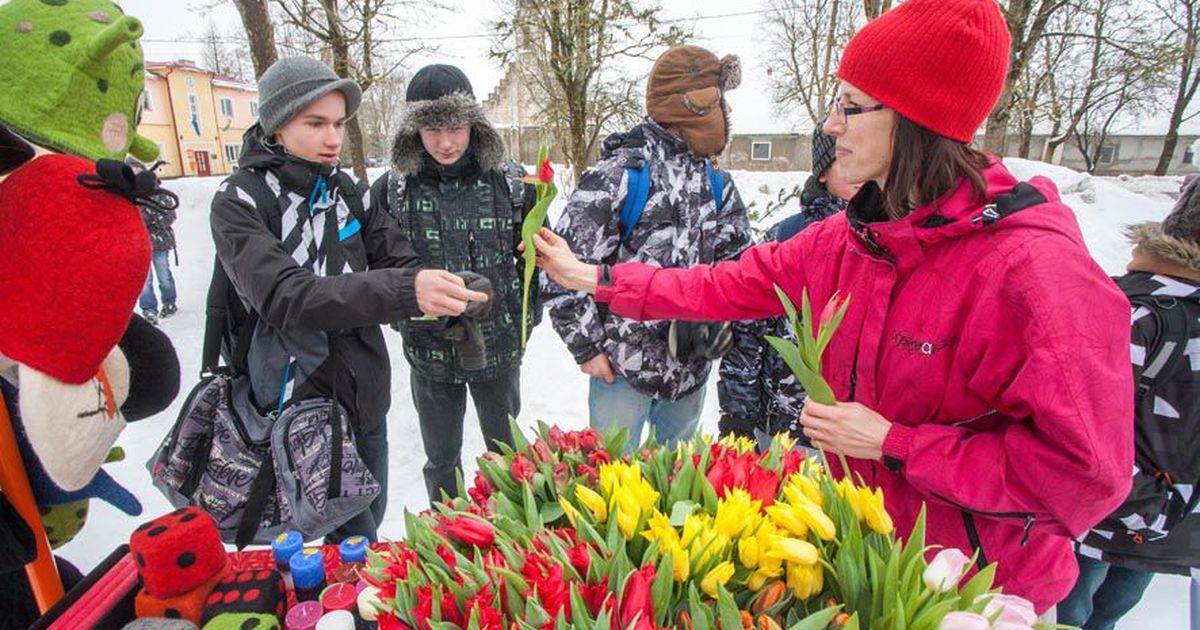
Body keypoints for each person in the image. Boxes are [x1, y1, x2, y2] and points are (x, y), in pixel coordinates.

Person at [532, 0, 1133, 614]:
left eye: (850, 105)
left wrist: (897, 443)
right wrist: (599, 279)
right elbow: (721, 284)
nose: (831, 126)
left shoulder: (1035, 274)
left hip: (978, 598)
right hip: (865, 564)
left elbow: (1086, 477)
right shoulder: (855, 236)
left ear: (916, 117)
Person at [210, 56, 487, 541]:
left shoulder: (347, 192)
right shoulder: (239, 201)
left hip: (364, 397)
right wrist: (407, 289)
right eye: (315, 123)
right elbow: (286, 297)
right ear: (276, 124)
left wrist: (446, 289)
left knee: (366, 524)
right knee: (324, 545)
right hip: (293, 405)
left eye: (338, 123)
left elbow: (397, 260)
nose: (333, 138)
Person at [543, 45, 752, 448]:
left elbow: (740, 273)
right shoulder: (619, 176)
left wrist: (719, 333)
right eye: (716, 102)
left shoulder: (718, 184)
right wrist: (586, 348)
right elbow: (560, 268)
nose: (722, 115)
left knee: (677, 487)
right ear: (689, 104)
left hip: (691, 369)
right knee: (614, 487)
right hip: (622, 371)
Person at [369, 64, 540, 503]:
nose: (445, 143)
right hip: (429, 352)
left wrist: (526, 318)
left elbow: (538, 261)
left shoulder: (515, 184)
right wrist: (404, 318)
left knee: (507, 459)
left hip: (499, 348)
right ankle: (448, 543)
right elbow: (377, 268)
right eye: (431, 130)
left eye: (455, 127)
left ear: (474, 125)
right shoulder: (392, 190)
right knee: (441, 460)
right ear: (413, 132)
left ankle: (514, 540)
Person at [1058, 177, 1200, 629]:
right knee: (1070, 616)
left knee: (1108, 615)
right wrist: (1144, 503)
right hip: (1106, 520)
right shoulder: (1140, 311)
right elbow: (1073, 420)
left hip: (1162, 523)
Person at [717, 121, 860, 440]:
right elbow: (748, 330)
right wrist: (738, 414)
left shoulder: (896, 242)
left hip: (861, 439)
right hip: (787, 431)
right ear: (822, 171)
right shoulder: (787, 238)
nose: (858, 170)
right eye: (843, 157)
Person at [129, 159, 178, 324]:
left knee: (164, 276)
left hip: (160, 243)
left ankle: (169, 302)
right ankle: (149, 309)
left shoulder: (159, 193)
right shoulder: (129, 195)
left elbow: (169, 215)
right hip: (139, 245)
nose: (135, 173)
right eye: (131, 170)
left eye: (137, 169)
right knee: (144, 280)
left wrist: (150, 218)